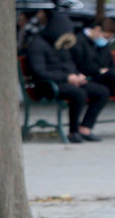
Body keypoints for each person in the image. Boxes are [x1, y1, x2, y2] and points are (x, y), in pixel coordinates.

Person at [24, 9, 110, 143]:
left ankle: (85, 128)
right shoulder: (38, 45)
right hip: (47, 85)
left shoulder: (61, 43)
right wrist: (67, 78)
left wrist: (76, 75)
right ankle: (73, 131)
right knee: (79, 94)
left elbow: (68, 63)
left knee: (102, 92)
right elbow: (39, 72)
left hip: (66, 82)